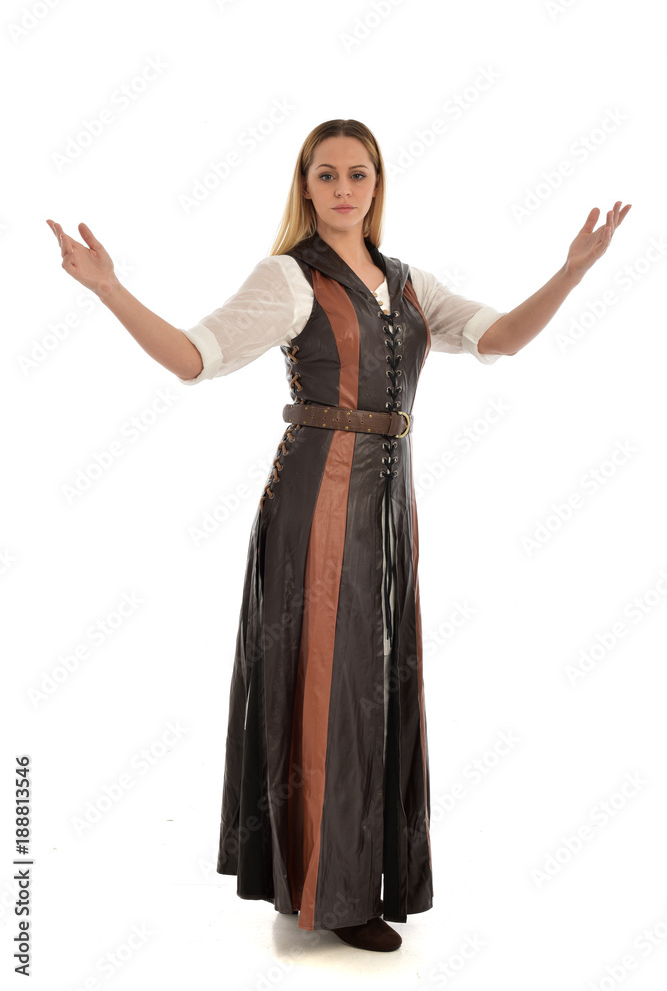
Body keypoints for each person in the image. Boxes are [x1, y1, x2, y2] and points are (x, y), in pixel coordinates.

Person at [46, 118, 630, 953]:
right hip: (316, 497)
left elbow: (498, 338)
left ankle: (330, 872)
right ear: (306, 186)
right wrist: (107, 287)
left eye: (358, 174)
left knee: (371, 684)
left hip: (390, 499)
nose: (344, 188)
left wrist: (571, 273)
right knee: (327, 681)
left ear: (377, 184)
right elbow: (190, 358)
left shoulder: (408, 281)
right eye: (326, 175)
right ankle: (333, 890)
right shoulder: (287, 280)